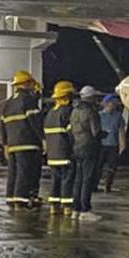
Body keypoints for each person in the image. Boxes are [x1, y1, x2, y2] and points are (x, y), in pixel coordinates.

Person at [1, 70, 44, 209]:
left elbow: (2, 125)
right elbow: (35, 121)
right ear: (26, 83)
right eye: (31, 83)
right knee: (25, 172)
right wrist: (43, 139)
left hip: (12, 144)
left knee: (13, 172)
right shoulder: (28, 100)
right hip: (27, 143)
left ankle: (11, 198)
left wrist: (5, 144)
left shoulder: (8, 103)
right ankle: (22, 200)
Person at [69, 85, 103, 220]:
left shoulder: (74, 111)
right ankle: (85, 209)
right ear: (91, 97)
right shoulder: (91, 111)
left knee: (78, 179)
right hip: (89, 147)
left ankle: (75, 209)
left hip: (76, 146)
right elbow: (95, 131)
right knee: (87, 179)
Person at [43, 81, 76, 215]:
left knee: (55, 180)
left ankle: (53, 206)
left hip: (52, 155)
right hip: (65, 153)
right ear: (67, 97)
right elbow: (71, 134)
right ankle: (67, 206)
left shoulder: (50, 113)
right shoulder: (68, 112)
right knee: (67, 179)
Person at [97, 94, 127, 192]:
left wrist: (122, 145)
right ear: (106, 104)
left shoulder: (118, 116)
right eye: (111, 103)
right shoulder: (99, 115)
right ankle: (95, 184)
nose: (113, 105)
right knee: (98, 166)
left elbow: (121, 130)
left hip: (113, 145)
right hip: (101, 145)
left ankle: (108, 185)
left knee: (112, 167)